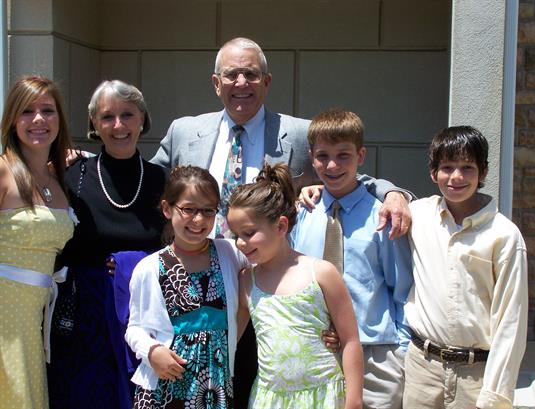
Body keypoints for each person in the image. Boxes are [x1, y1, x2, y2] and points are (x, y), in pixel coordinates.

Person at [150, 37, 412, 404]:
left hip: (276, 286)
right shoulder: (184, 131)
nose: (241, 83)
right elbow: (146, 184)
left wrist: (392, 192)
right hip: (207, 288)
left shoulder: (301, 134)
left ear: (267, 81)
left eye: (251, 74)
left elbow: (343, 168)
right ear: (216, 83)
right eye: (231, 75)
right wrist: (83, 164)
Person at [47, 80, 169, 409]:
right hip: (85, 317)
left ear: (142, 119)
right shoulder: (71, 176)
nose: (118, 126)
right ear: (94, 124)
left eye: (127, 115)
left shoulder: (163, 180)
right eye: (107, 117)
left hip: (144, 314)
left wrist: (133, 262)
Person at [290, 109, 412, 409]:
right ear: (311, 157)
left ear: (361, 156)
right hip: (313, 351)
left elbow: (403, 289)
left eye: (343, 155)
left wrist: (402, 352)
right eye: (323, 156)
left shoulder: (381, 217)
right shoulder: (302, 214)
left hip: (374, 356)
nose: (332, 165)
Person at [403, 126, 528, 409]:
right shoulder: (419, 216)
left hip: (476, 376)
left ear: (483, 172)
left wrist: (494, 395)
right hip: (422, 371)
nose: (456, 177)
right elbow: (368, 192)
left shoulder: (503, 235)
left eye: (467, 167)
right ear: (433, 173)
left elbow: (511, 320)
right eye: (447, 167)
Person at [227, 162, 364, 409]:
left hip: (324, 397)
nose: (239, 243)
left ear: (281, 226)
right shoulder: (246, 281)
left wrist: (354, 401)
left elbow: (350, 340)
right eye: (236, 234)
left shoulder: (321, 273)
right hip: (270, 401)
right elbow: (229, 341)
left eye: (248, 233)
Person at [126, 165, 249, 408]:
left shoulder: (232, 254)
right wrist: (152, 351)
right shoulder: (149, 268)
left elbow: (268, 273)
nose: (198, 219)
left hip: (215, 387)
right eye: (188, 209)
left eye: (208, 210)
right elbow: (134, 327)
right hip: (165, 388)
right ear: (167, 209)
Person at [0, 76, 75, 409]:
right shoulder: (3, 171)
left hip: (33, 321)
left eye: (48, 110)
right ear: (12, 119)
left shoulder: (58, 180)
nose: (39, 119)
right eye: (27, 111)